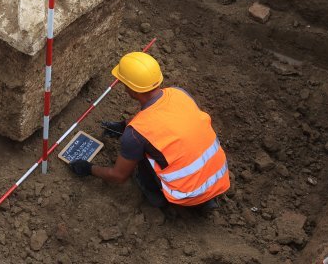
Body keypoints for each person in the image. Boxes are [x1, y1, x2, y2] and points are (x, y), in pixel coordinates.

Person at [70, 52, 230, 209]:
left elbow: (119, 176)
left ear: (133, 90)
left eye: (124, 83)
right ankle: (206, 198)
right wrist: (123, 125)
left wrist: (89, 169)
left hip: (186, 194)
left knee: (144, 154)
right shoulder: (178, 93)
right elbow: (160, 116)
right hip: (218, 177)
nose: (123, 87)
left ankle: (155, 195)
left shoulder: (135, 134)